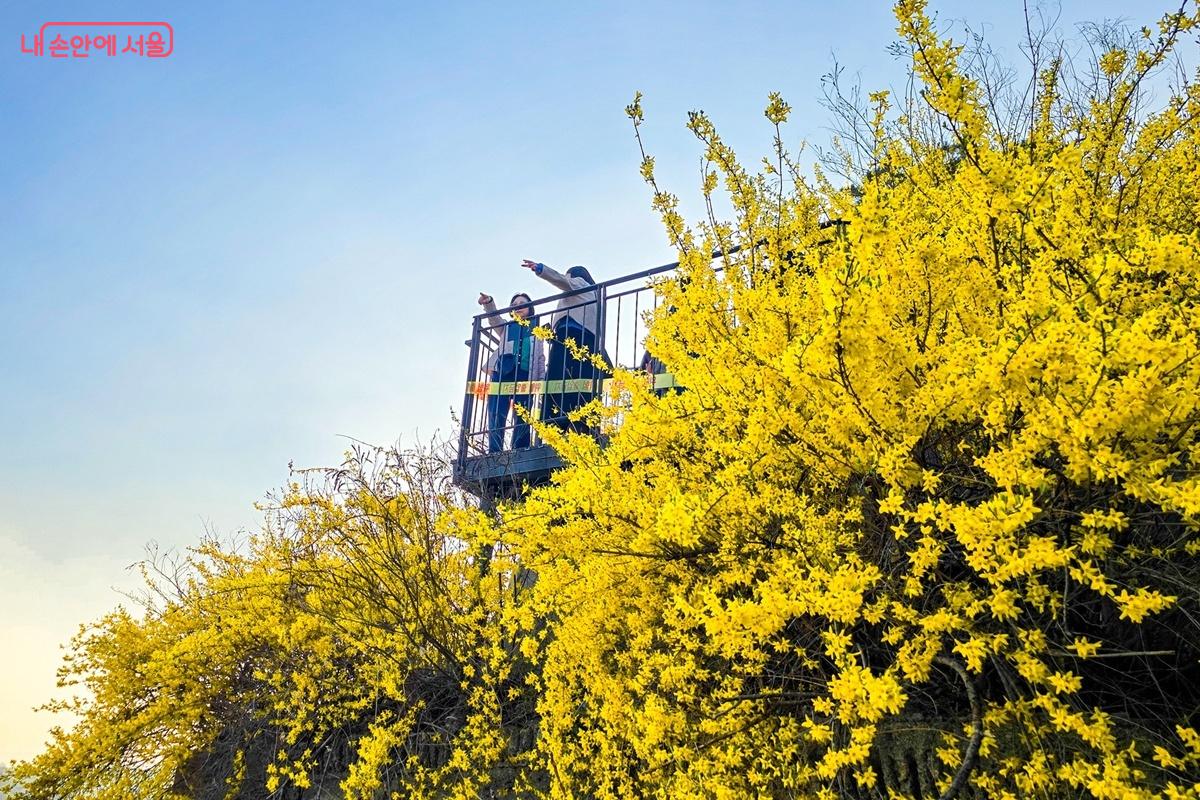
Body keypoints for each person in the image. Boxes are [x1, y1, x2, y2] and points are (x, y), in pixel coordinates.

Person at [520, 260, 604, 432]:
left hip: (572, 338)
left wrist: (541, 269)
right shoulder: (594, 296)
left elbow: (561, 280)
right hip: (583, 341)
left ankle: (555, 422)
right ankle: (582, 423)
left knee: (559, 380)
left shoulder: (580, 283)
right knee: (579, 382)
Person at [478, 291, 545, 453]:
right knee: (496, 412)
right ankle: (494, 449)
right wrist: (489, 303)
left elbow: (541, 357)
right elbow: (494, 319)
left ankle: (520, 447)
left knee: (523, 413)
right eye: (514, 305)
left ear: (530, 308)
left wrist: (541, 380)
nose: (518, 307)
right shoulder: (507, 327)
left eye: (522, 304)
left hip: (525, 375)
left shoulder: (536, 331)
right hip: (503, 373)